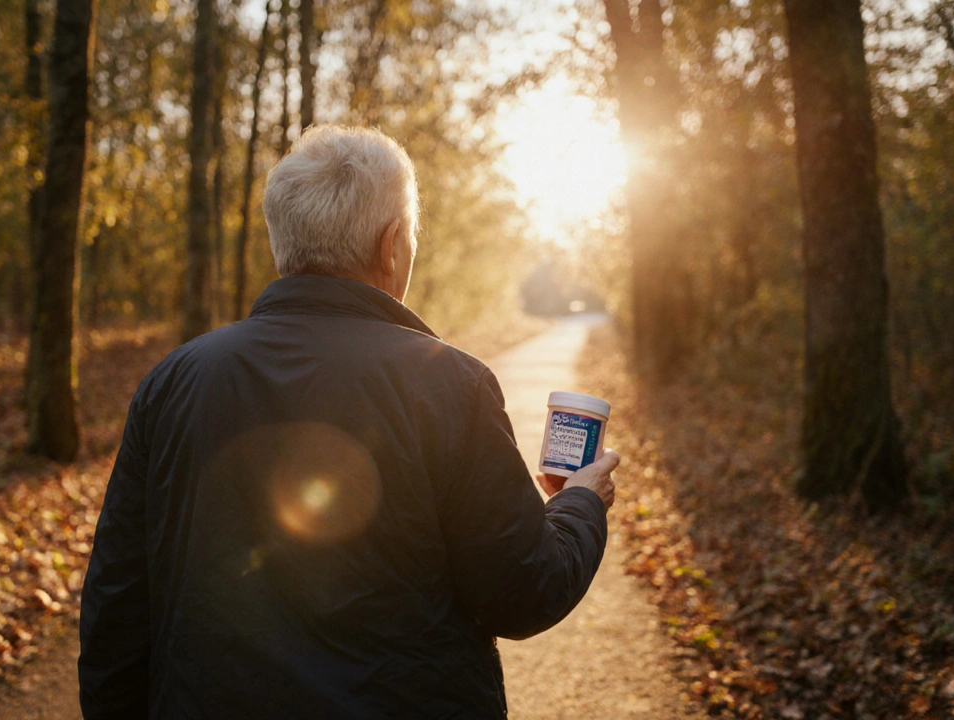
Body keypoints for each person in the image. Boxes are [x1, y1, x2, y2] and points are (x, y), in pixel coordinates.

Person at [78, 125, 619, 719]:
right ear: (391, 245)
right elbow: (523, 594)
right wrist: (582, 504)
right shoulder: (451, 384)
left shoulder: (173, 381)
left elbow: (117, 606)